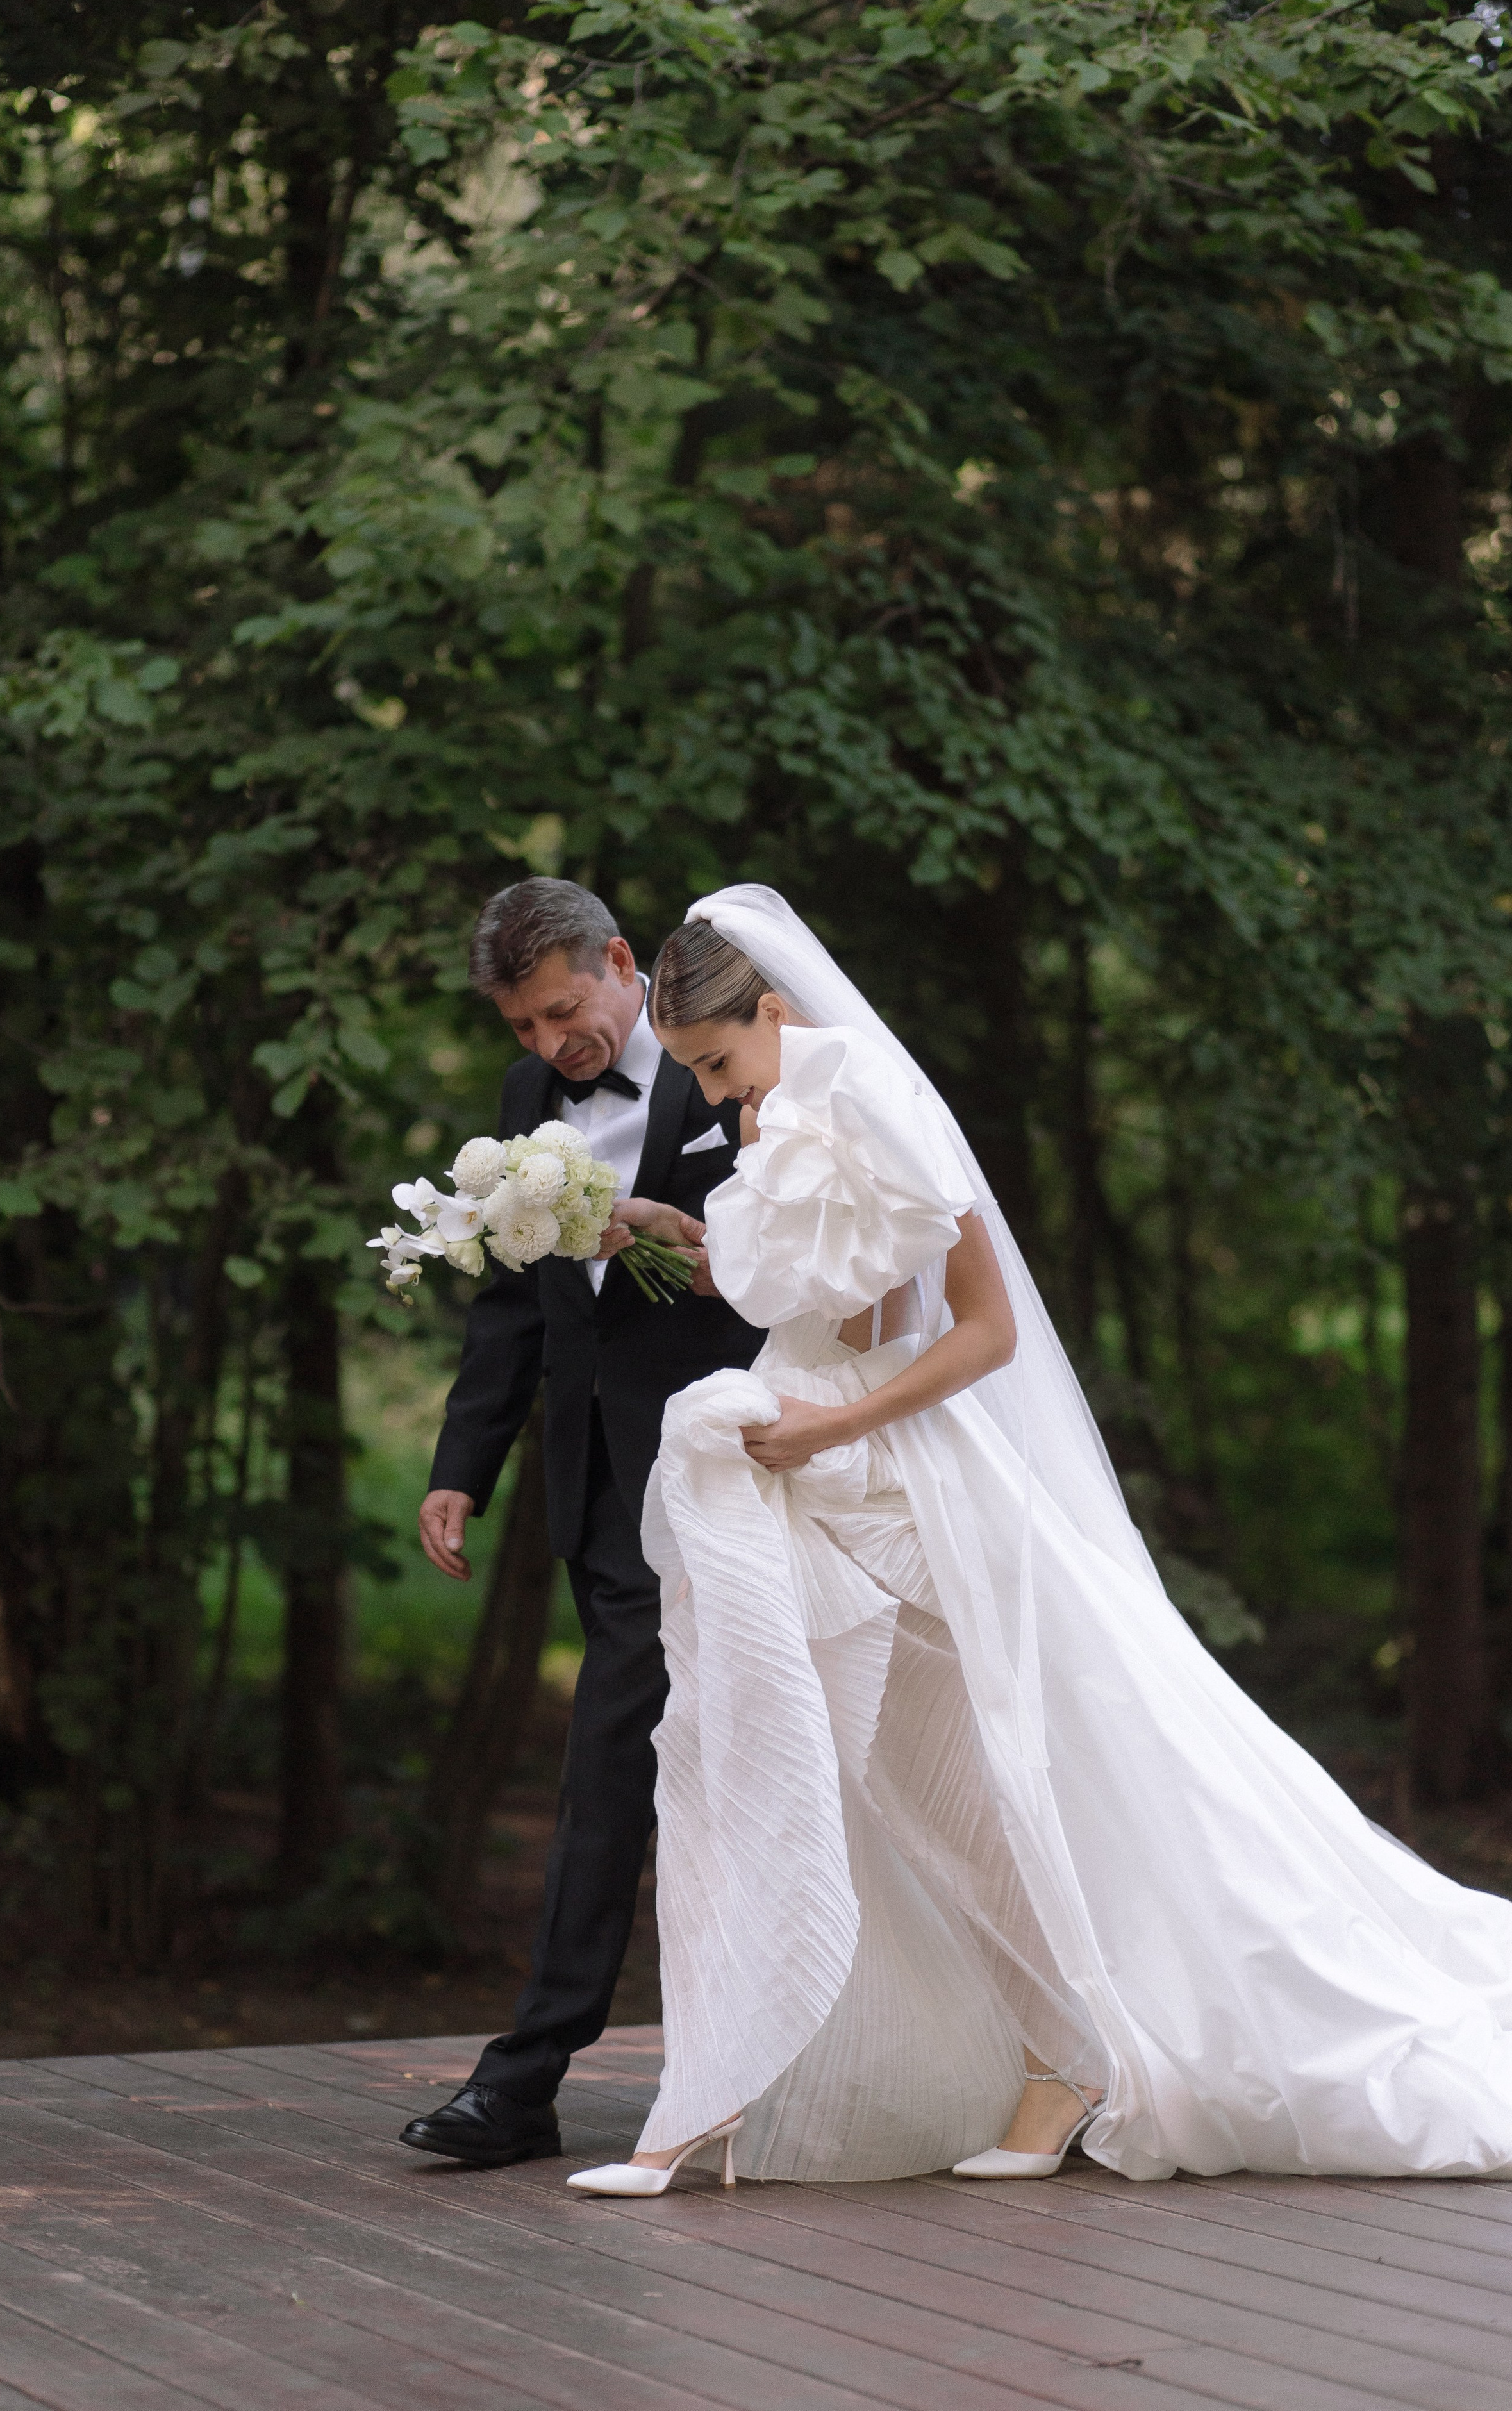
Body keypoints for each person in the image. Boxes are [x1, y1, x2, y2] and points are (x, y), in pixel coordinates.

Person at [565, 884, 1512, 2196]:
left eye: (721, 1066)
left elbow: (975, 1332)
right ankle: (740, 2085)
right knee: (778, 1765)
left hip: (888, 1479)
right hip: (792, 1459)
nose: (718, 1101)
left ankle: (1052, 2060)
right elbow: (808, 1290)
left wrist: (835, 1431)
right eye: (699, 1079)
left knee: (969, 1781)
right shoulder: (779, 1119)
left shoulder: (881, 1114)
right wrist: (672, 1232)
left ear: (774, 1012)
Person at [399, 878, 764, 2170]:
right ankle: (528, 2081)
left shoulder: (745, 1062)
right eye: (522, 1028)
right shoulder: (522, 1113)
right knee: (606, 1766)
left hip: (760, 1466)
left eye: (562, 1011)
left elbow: (822, 1252)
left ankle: (813, 2057)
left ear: (619, 962)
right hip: (611, 1491)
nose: (552, 1045)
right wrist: (466, 1464)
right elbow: (513, 1305)